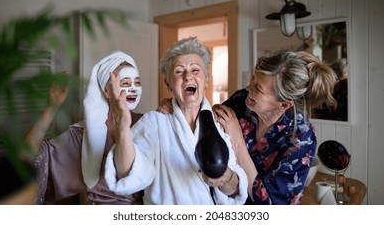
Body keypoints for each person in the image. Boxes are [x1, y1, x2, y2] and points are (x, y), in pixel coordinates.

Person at [104, 37, 248, 205]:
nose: (188, 76)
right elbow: (128, 171)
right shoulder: (154, 122)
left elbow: (236, 191)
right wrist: (122, 129)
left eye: (195, 70)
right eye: (179, 71)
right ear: (168, 83)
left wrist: (225, 177)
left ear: (206, 79)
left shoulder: (221, 124)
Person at [212, 51, 337, 204]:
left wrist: (237, 140)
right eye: (253, 78)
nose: (248, 87)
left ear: (284, 104)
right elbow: (210, 127)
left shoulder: (301, 138)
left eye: (258, 88)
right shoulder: (241, 100)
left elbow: (271, 202)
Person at [29, 51, 144, 204]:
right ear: (107, 91)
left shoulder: (146, 124)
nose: (133, 89)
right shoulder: (82, 135)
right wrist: (52, 107)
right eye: (125, 83)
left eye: (137, 82)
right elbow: (29, 153)